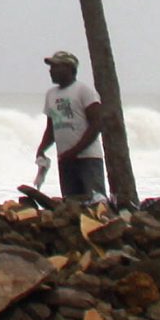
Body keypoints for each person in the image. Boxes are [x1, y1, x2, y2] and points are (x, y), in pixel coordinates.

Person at [31, 51, 112, 207]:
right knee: (72, 203)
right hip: (66, 160)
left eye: (55, 66)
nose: (51, 71)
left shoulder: (84, 90)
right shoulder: (51, 94)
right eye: (51, 67)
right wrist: (42, 149)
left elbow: (96, 124)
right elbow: (51, 128)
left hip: (88, 158)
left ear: (69, 68)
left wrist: (75, 151)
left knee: (96, 202)